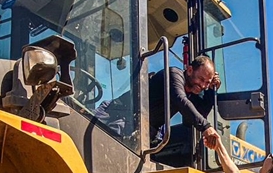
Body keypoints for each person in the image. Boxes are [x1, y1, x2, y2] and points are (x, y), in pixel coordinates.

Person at [93, 55, 221, 150]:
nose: (203, 85)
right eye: (201, 79)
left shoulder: (191, 93)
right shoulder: (173, 75)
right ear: (189, 70)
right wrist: (205, 127)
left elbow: (200, 113)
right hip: (114, 117)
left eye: (207, 82)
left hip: (137, 132)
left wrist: (211, 91)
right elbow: (180, 99)